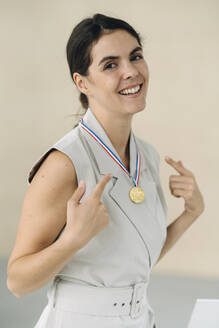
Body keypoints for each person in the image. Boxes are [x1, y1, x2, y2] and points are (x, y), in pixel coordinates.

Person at [7, 13, 205, 328]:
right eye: (110, 64)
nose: (130, 71)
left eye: (135, 56)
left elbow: (134, 263)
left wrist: (189, 216)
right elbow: (17, 282)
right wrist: (72, 239)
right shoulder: (63, 163)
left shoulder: (147, 157)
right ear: (82, 83)